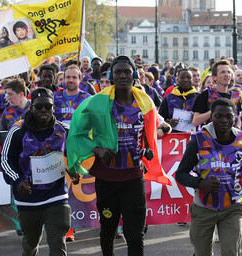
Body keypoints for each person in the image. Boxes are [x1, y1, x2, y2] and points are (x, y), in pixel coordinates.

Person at [66, 55, 171, 255]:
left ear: (134, 76)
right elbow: (76, 134)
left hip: (133, 179)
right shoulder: (96, 103)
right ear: (111, 76)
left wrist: (147, 149)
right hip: (107, 180)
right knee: (108, 230)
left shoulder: (145, 102)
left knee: (135, 235)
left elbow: (149, 134)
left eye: (127, 71)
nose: (122, 75)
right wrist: (96, 148)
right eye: (118, 72)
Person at [0, 87, 80, 255]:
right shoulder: (18, 130)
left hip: (57, 197)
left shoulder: (63, 130)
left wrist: (74, 168)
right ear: (31, 107)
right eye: (39, 106)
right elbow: (6, 160)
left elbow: (75, 153)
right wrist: (17, 181)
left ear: (53, 107)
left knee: (57, 244)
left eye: (48, 106)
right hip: (28, 199)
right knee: (30, 245)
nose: (43, 109)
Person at [176, 98, 242, 256]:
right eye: (219, 116)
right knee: (202, 253)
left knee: (230, 252)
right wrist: (200, 183)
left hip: (232, 207)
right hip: (203, 207)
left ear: (234, 118)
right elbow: (181, 174)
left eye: (229, 117)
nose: (224, 121)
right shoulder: (199, 141)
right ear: (211, 117)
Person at [192, 60, 242, 127]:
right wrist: (214, 111)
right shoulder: (206, 94)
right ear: (214, 77)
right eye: (223, 72)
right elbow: (195, 121)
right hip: (210, 135)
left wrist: (238, 127)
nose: (227, 75)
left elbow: (238, 118)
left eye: (229, 72)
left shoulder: (235, 96)